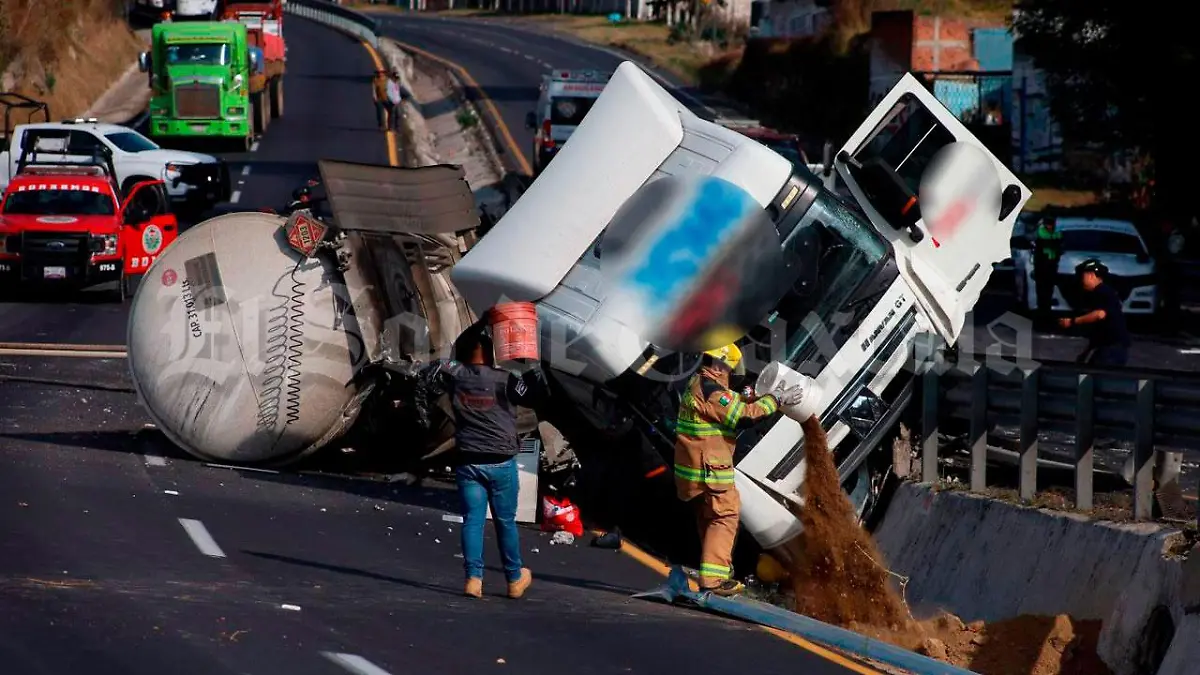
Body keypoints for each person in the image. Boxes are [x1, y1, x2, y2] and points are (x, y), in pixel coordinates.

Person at [416, 321, 548, 599]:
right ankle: (514, 579)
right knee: (505, 522)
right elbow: (536, 392)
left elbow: (434, 371)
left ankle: (473, 580)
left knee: (472, 522)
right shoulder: (506, 380)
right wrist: (529, 362)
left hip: (469, 461)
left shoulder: (457, 374)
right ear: (490, 352)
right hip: (501, 461)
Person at [673, 343, 805, 596]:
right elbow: (742, 416)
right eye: (729, 368)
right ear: (720, 365)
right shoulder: (711, 391)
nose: (731, 373)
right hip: (709, 468)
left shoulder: (698, 383)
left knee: (709, 517)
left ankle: (716, 570)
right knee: (725, 516)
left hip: (694, 469)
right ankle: (713, 579)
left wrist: (755, 396)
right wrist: (776, 400)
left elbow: (730, 405)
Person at [1059, 258, 1131, 366]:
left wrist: (1073, 321)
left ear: (1091, 275)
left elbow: (1099, 314)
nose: (1080, 280)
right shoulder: (1100, 292)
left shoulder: (1102, 292)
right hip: (1105, 345)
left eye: (1082, 276)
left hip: (1112, 348)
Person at [1033, 215, 1063, 324]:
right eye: (1048, 224)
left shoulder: (1057, 232)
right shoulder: (1041, 232)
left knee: (1049, 291)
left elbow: (1059, 246)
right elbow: (1043, 246)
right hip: (1042, 265)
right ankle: (1042, 313)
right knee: (1042, 291)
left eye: (1052, 224)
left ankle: (1046, 312)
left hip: (1052, 265)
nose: (1050, 226)